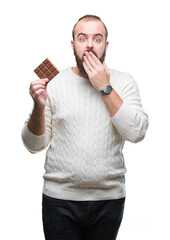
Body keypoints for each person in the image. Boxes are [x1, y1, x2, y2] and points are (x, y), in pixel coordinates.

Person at [22, 15, 148, 240]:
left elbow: (137, 132)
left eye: (97, 39)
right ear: (73, 45)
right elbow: (33, 146)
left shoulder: (124, 82)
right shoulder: (55, 83)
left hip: (109, 200)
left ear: (105, 45)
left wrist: (105, 87)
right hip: (59, 201)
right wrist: (38, 107)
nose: (89, 44)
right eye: (82, 38)